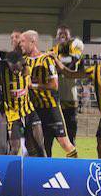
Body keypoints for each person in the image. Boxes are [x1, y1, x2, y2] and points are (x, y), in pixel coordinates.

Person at [20, 30, 77, 158]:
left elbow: (54, 85)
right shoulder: (23, 61)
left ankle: (76, 171)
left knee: (64, 142)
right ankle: (41, 174)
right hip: (33, 110)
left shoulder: (46, 59)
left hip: (50, 108)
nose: (21, 44)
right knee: (35, 146)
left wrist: (33, 85)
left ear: (32, 41)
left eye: (23, 41)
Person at [0, 50, 45, 156]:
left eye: (17, 67)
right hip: (12, 114)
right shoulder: (3, 72)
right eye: (13, 68)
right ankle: (7, 171)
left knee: (39, 146)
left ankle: (45, 169)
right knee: (15, 149)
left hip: (28, 110)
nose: (15, 70)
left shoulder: (27, 67)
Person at [50, 25, 83, 145]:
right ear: (56, 37)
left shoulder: (76, 52)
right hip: (55, 100)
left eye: (65, 34)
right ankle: (48, 161)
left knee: (71, 134)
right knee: (49, 136)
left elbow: (75, 70)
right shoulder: (51, 52)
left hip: (70, 99)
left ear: (70, 38)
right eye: (60, 34)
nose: (62, 36)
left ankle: (71, 161)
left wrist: (59, 66)